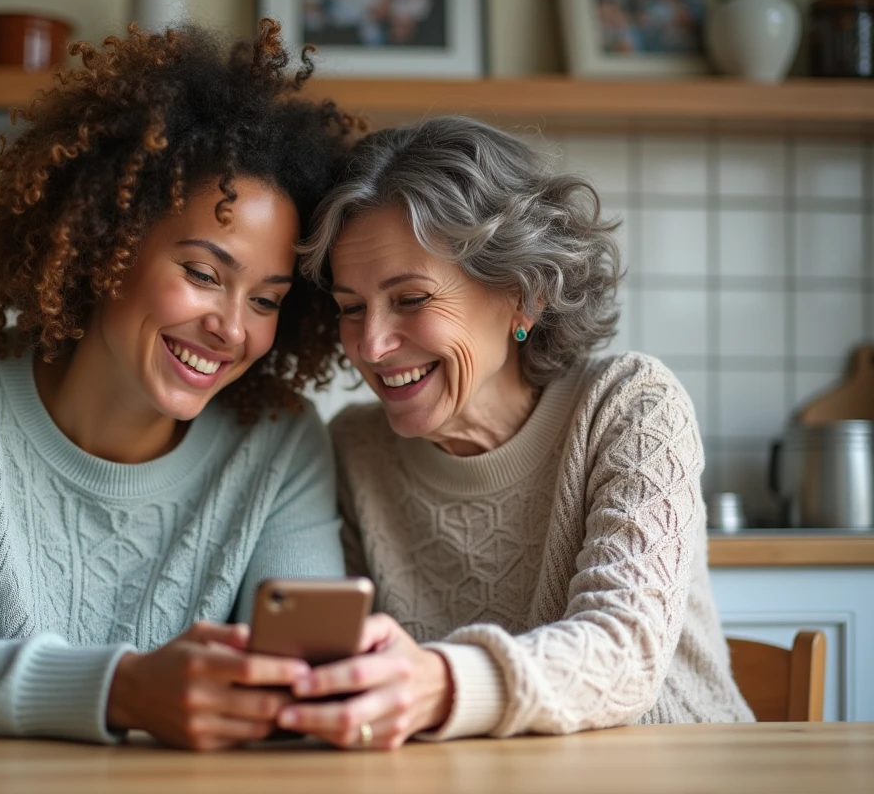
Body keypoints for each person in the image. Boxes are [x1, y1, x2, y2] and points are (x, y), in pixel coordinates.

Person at [0, 20, 358, 751]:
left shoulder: (279, 441)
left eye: (265, 300)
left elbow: (306, 695)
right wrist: (121, 690)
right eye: (202, 273)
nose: (231, 328)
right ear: (106, 247)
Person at [277, 115, 753, 749]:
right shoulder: (356, 449)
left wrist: (441, 683)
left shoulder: (629, 405)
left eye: (411, 299)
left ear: (523, 295)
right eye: (351, 308)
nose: (371, 344)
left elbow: (625, 650)